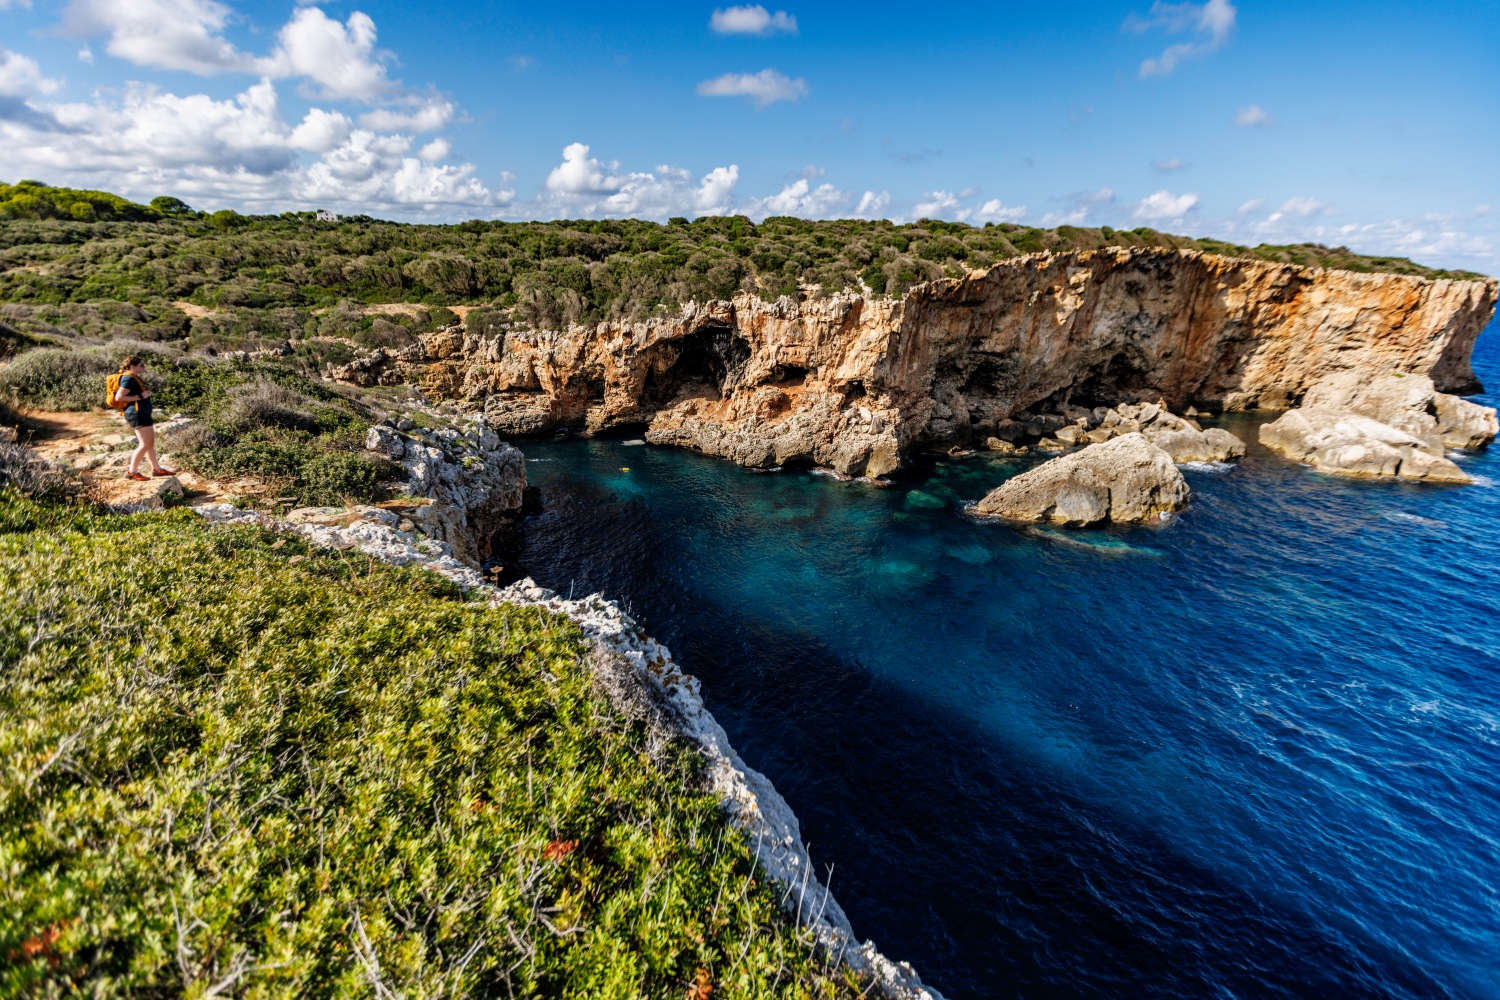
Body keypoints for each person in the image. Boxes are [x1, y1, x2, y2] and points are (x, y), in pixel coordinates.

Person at [113, 356, 176, 481]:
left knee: (148, 443)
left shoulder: (133, 377)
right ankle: (132, 471)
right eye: (141, 365)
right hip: (137, 413)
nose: (143, 367)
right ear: (132, 366)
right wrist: (141, 397)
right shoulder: (128, 378)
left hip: (141, 413)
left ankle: (156, 469)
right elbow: (119, 397)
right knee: (146, 443)